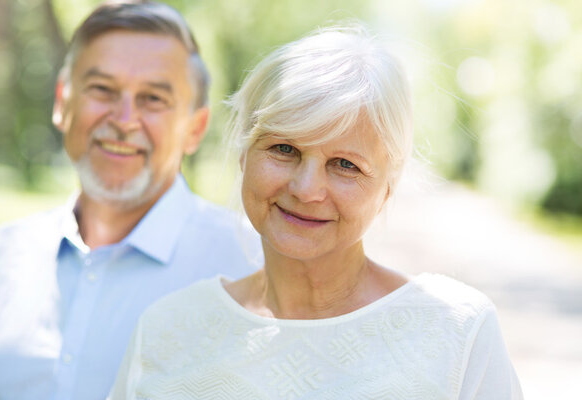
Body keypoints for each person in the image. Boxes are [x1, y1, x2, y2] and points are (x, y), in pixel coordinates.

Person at [111, 25, 524, 399]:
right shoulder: (168, 329)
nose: (306, 190)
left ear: (388, 185)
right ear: (244, 154)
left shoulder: (456, 332)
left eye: (346, 164)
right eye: (284, 149)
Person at [0, 1, 261, 399]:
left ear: (194, 129)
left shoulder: (253, 268)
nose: (124, 119)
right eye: (102, 89)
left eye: (153, 98)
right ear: (63, 102)